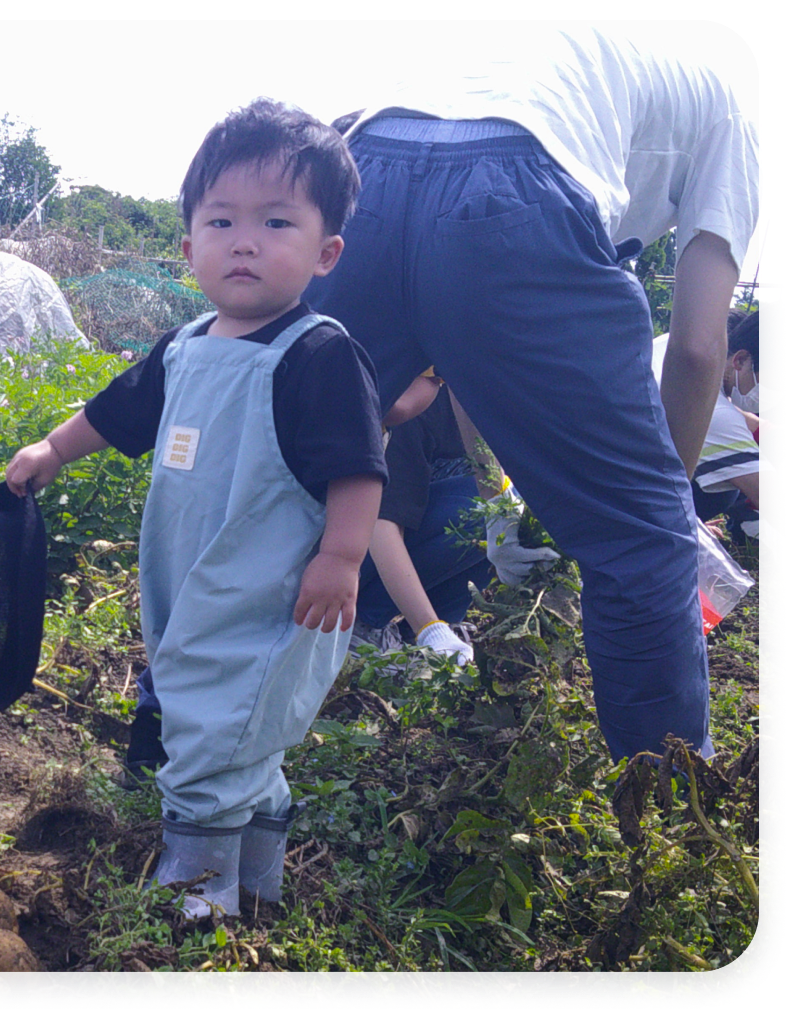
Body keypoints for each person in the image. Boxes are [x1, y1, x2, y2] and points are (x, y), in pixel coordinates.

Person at [305, 28, 762, 762]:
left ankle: (173, 751)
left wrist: (498, 495)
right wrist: (662, 507)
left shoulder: (559, 63)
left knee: (279, 477)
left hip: (368, 165)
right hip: (517, 181)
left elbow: (464, 356)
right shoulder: (733, 121)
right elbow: (701, 345)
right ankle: (671, 810)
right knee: (641, 545)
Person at [6, 99, 386, 915]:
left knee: (216, 733)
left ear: (326, 252)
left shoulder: (317, 354)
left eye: (277, 222)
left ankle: (197, 911)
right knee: (226, 725)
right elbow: (115, 413)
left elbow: (359, 468)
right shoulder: (183, 347)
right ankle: (257, 883)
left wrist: (342, 556)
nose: (245, 240)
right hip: (191, 589)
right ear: (188, 248)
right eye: (222, 220)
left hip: (273, 595)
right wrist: (50, 450)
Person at [351, 380, 493, 666]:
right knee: (483, 506)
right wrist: (428, 627)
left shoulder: (495, 408)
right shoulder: (414, 402)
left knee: (508, 514)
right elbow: (380, 524)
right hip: (350, 546)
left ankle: (433, 633)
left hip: (409, 529)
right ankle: (365, 623)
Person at [652, 302, 783, 567]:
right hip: (612, 497)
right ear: (740, 359)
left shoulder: (678, 347)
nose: (774, 396)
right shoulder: (710, 406)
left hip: (597, 463)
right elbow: (771, 502)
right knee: (727, 490)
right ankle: (665, 531)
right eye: (772, 384)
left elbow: (747, 424)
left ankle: (682, 523)